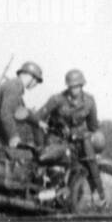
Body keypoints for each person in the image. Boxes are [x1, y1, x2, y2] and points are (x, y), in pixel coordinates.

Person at [38, 69, 103, 201]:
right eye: (72, 86)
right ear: (67, 86)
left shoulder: (89, 102)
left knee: (79, 170)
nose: (75, 89)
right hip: (55, 140)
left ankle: (76, 199)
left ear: (82, 85)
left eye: (78, 86)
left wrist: (90, 139)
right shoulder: (57, 100)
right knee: (55, 171)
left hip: (76, 142)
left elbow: (93, 127)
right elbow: (39, 117)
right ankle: (51, 196)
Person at [0, 61, 43, 154]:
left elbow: (22, 112)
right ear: (30, 76)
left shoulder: (15, 87)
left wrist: (38, 122)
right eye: (37, 81)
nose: (36, 84)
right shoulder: (14, 87)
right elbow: (6, 113)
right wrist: (13, 136)